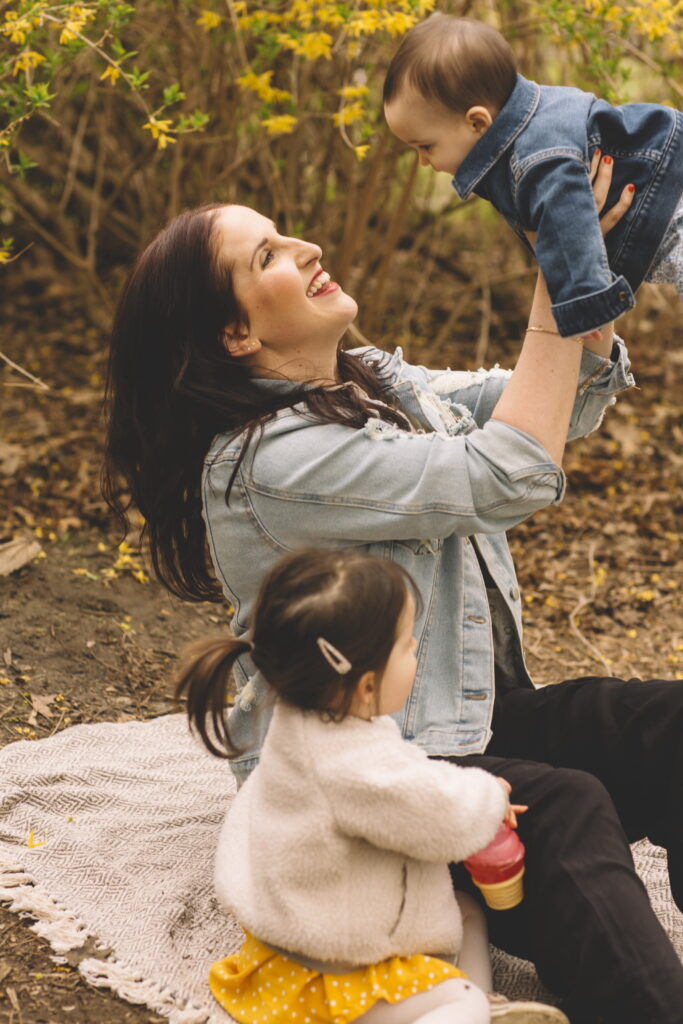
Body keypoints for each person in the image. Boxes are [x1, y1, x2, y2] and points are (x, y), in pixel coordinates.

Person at [102, 158, 683, 1023]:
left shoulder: (365, 380)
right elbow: (508, 471)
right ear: (234, 334)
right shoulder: (269, 460)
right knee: (561, 808)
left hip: (461, 723)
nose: (306, 248)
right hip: (368, 787)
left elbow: (539, 404)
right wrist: (551, 284)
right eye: (267, 256)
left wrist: (593, 260)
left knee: (661, 725)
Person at [175, 547, 569, 1024]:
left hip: (311, 927)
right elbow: (432, 813)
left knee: (464, 910)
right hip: (330, 972)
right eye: (408, 645)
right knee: (456, 998)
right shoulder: (346, 763)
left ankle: (483, 1006)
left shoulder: (306, 721)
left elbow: (405, 774)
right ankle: (466, 1007)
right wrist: (488, 798)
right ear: (365, 684)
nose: (416, 654)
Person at [383, 13, 683, 339]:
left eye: (426, 146)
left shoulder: (538, 155)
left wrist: (585, 303)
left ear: (477, 123)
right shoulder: (529, 127)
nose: (423, 161)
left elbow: (566, 221)